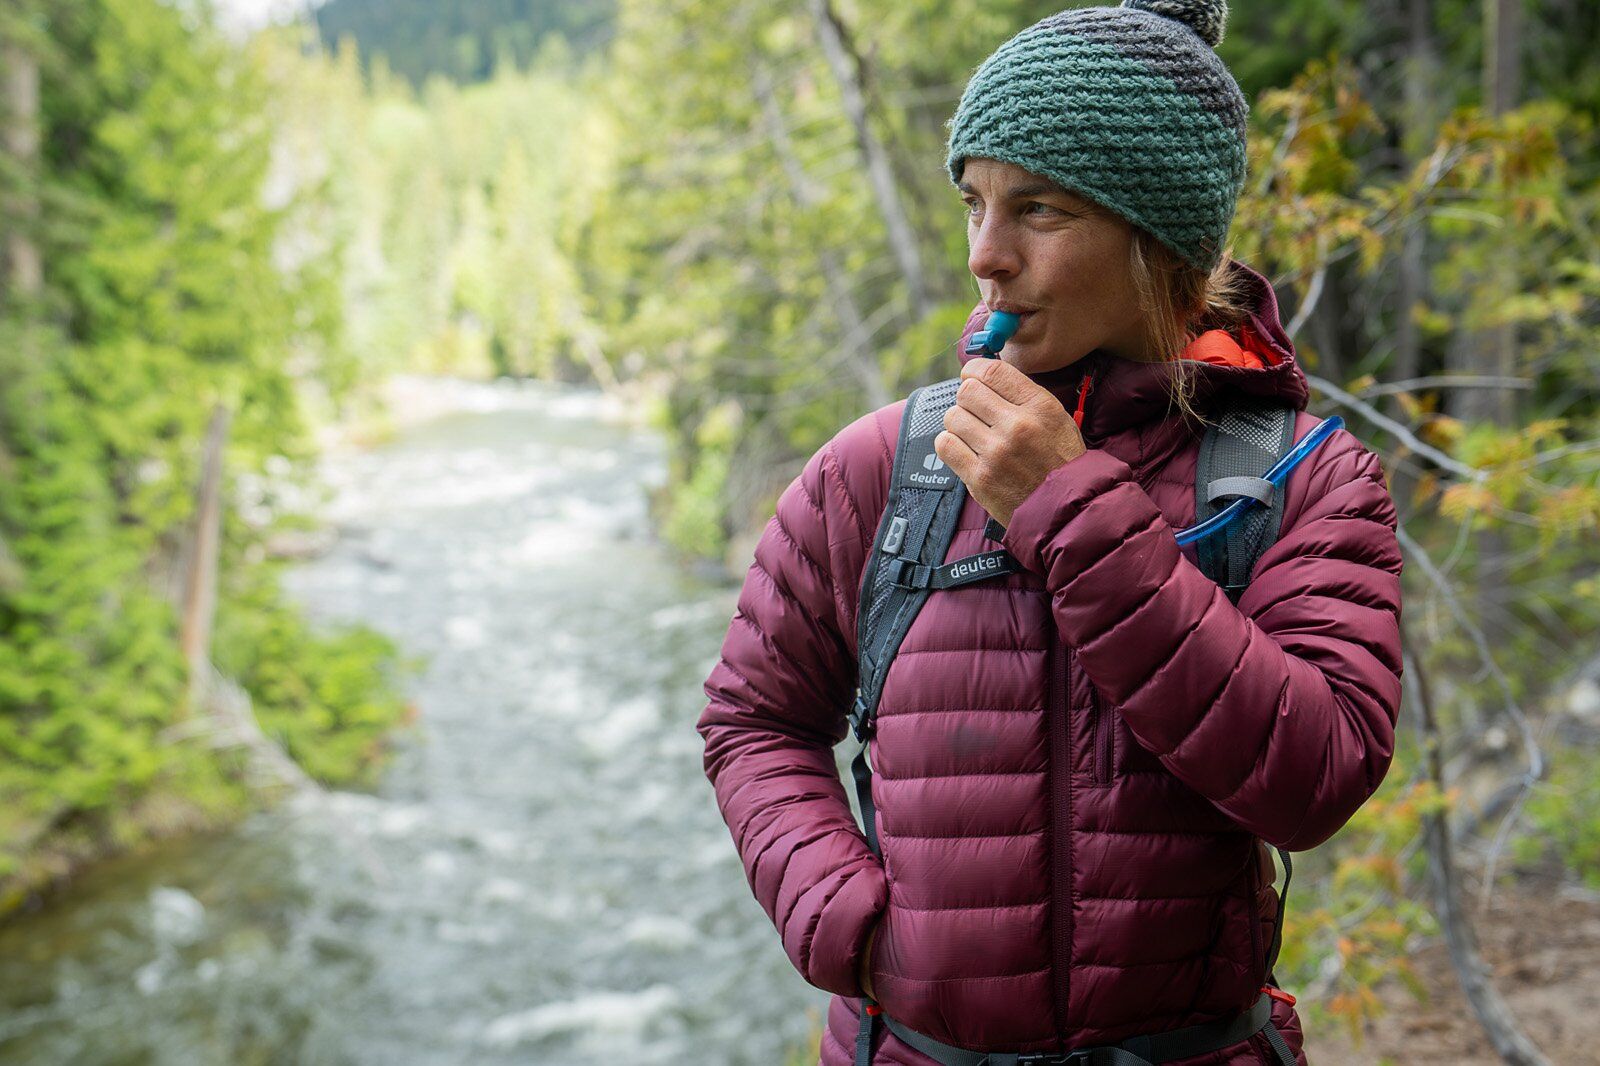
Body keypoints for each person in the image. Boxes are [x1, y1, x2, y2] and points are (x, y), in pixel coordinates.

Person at [696, 0, 1403, 1062]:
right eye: (974, 204)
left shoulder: (1304, 478)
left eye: (1038, 209)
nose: (987, 255)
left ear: (1157, 236)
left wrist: (1068, 507)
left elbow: (1316, 780)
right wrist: (843, 917)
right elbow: (752, 718)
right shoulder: (883, 467)